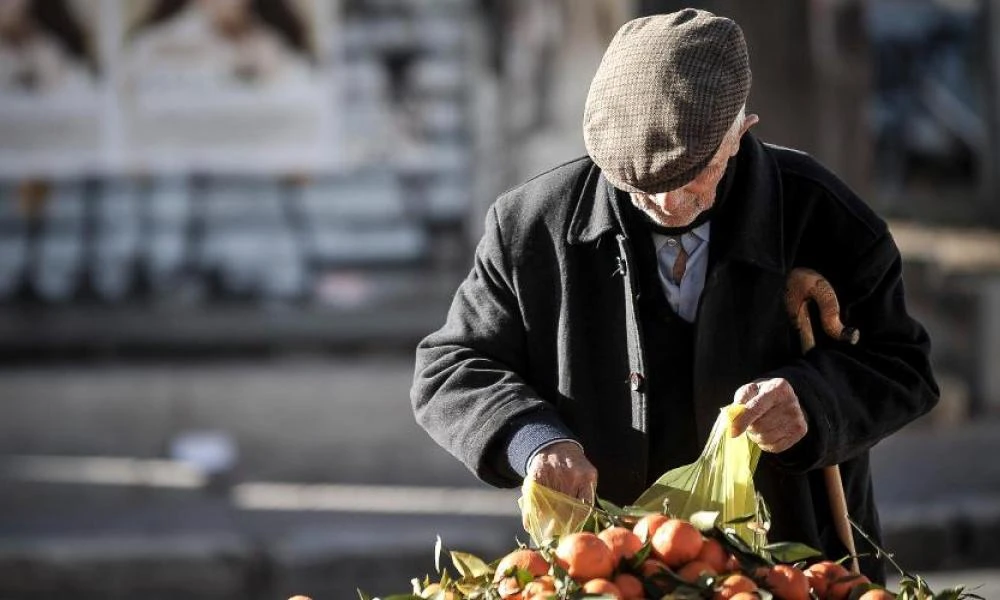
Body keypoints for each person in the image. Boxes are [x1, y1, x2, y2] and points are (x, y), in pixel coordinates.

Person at [411, 9, 938, 583]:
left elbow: (903, 366)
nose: (665, 204)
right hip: (609, 571)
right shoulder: (531, 225)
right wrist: (533, 441)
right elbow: (451, 367)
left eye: (689, 175)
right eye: (640, 186)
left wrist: (813, 402)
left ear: (741, 130)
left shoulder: (821, 213)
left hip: (790, 565)